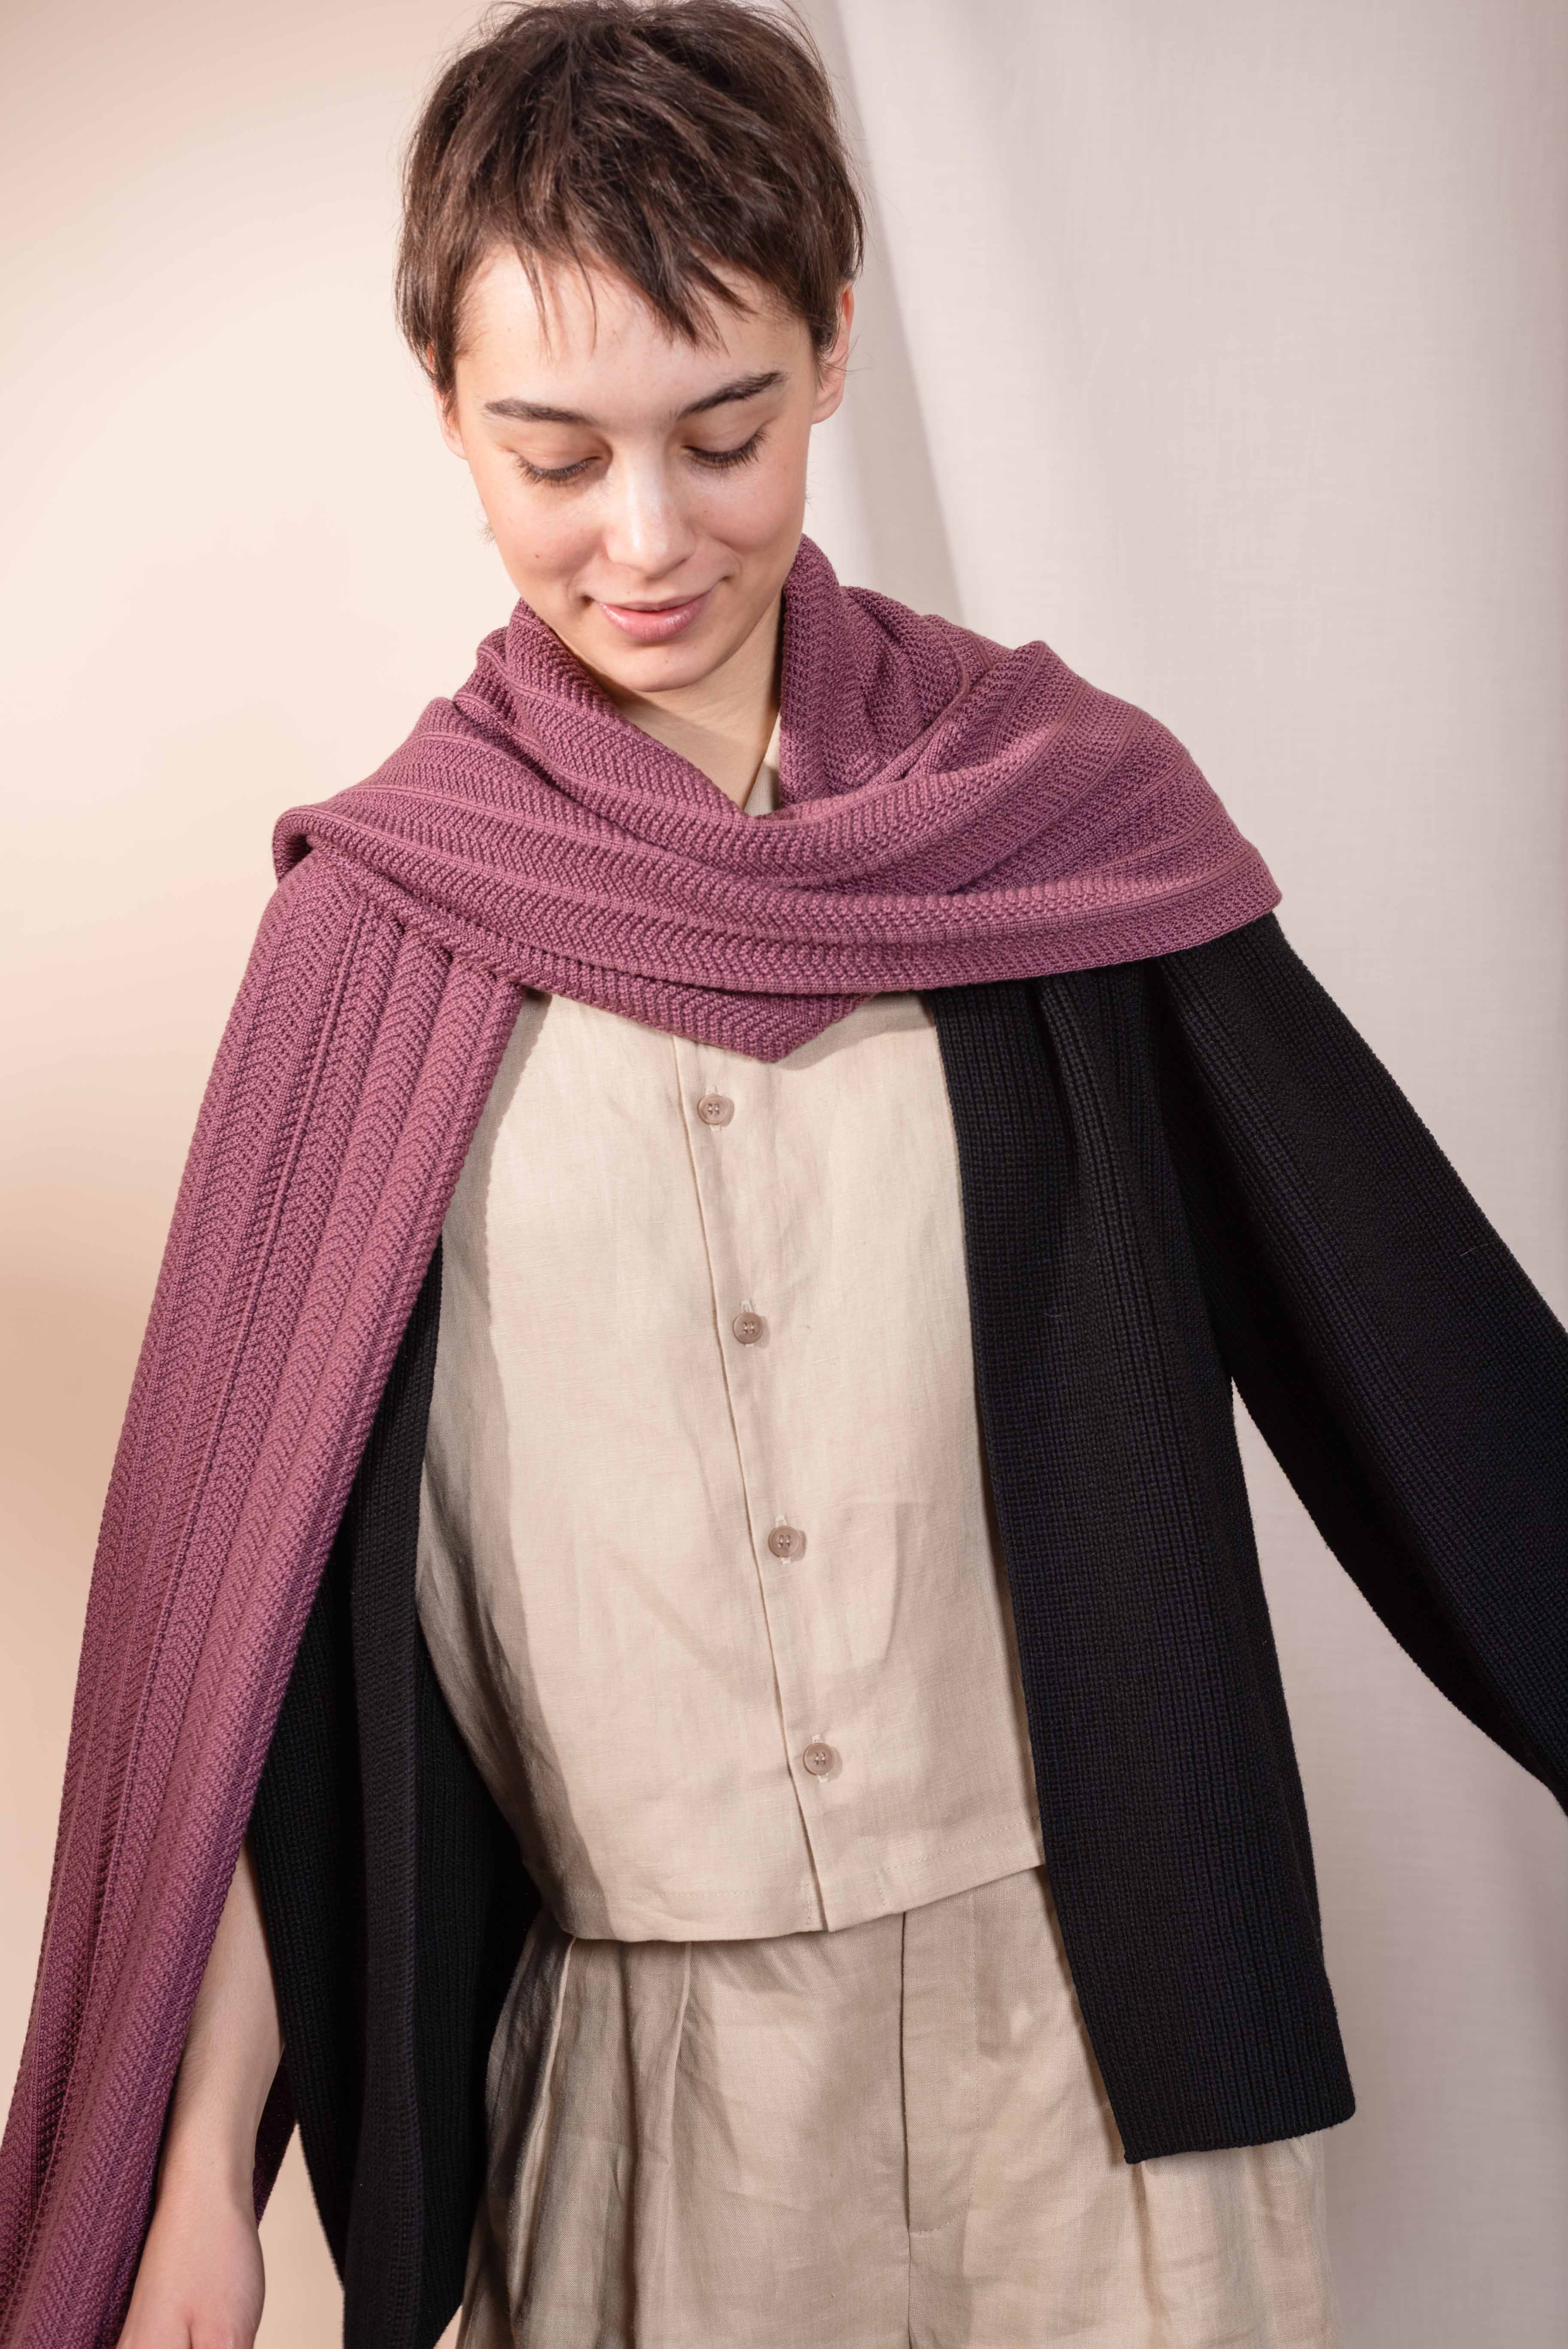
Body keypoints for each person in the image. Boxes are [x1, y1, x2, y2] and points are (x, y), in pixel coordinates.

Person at [3, 4, 1565, 2346]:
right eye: (553, 454)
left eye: (723, 434)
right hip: (644, 2100)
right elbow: (255, 1637)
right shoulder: (380, 937)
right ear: (443, 403)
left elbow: (1436, 1378)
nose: (646, 539)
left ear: (834, 341)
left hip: (1109, 2069)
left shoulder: (1054, 831)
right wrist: (200, 2171)